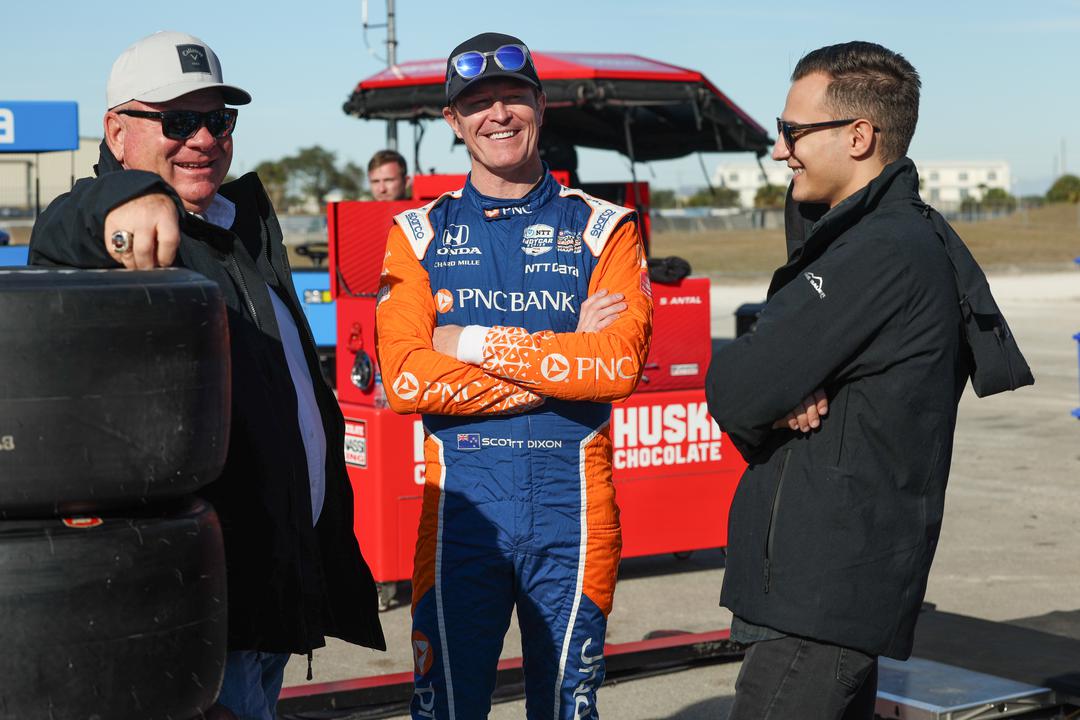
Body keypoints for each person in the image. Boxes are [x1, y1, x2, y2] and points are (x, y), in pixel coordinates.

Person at [28, 31, 385, 720]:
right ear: (117, 131)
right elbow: (59, 230)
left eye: (217, 120)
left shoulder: (238, 226)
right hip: (197, 611)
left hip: (272, 598)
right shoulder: (119, 242)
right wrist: (121, 200)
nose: (202, 139)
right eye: (177, 120)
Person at [375, 32, 653, 720]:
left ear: (539, 104)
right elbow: (408, 379)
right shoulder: (417, 232)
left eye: (512, 97)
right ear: (453, 122)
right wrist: (564, 365)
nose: (497, 114)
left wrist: (466, 341)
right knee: (443, 711)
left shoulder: (605, 228)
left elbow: (616, 366)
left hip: (574, 517)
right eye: (477, 104)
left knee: (566, 708)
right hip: (462, 516)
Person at [706, 41, 971, 719]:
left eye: (792, 131)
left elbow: (736, 387)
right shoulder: (870, 239)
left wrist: (765, 377)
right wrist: (774, 380)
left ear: (859, 136)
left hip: (823, 600)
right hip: (823, 589)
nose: (780, 149)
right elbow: (763, 376)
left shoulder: (879, 249)